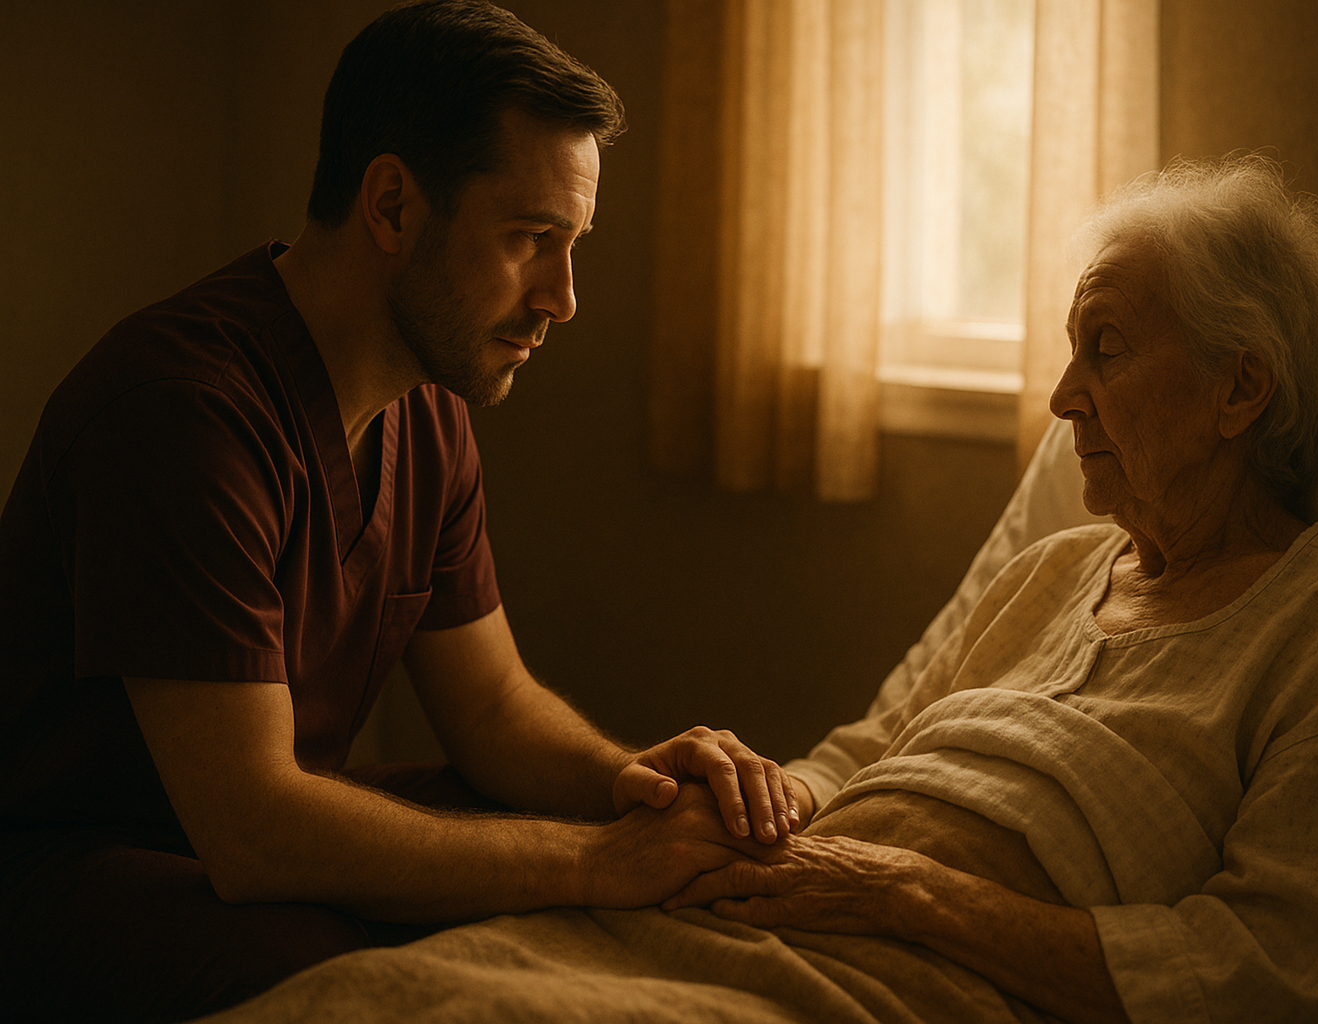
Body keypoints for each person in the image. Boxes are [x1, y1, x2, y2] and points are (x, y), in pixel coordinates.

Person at [194, 155, 1318, 1024]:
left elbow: (1263, 968)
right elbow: (868, 748)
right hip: (747, 908)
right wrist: (734, 800)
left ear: (1240, 391)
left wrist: (905, 890)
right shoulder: (1057, 569)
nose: (1062, 399)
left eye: (1104, 349)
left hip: (897, 982)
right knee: (392, 992)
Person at [0, 3, 794, 1022]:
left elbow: (494, 710)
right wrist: (597, 861)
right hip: (71, 870)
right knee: (369, 979)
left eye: (574, 245)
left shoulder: (429, 409)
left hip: (239, 842)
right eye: (532, 239)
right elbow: (252, 828)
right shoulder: (181, 409)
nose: (564, 297)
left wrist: (634, 786)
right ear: (391, 206)